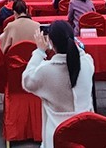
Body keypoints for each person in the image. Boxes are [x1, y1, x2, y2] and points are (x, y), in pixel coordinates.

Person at [22, 20, 95, 148]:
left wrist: (39, 51)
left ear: (51, 43)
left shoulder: (46, 71)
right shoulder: (87, 62)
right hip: (86, 134)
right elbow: (81, 55)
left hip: (56, 136)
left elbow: (27, 81)